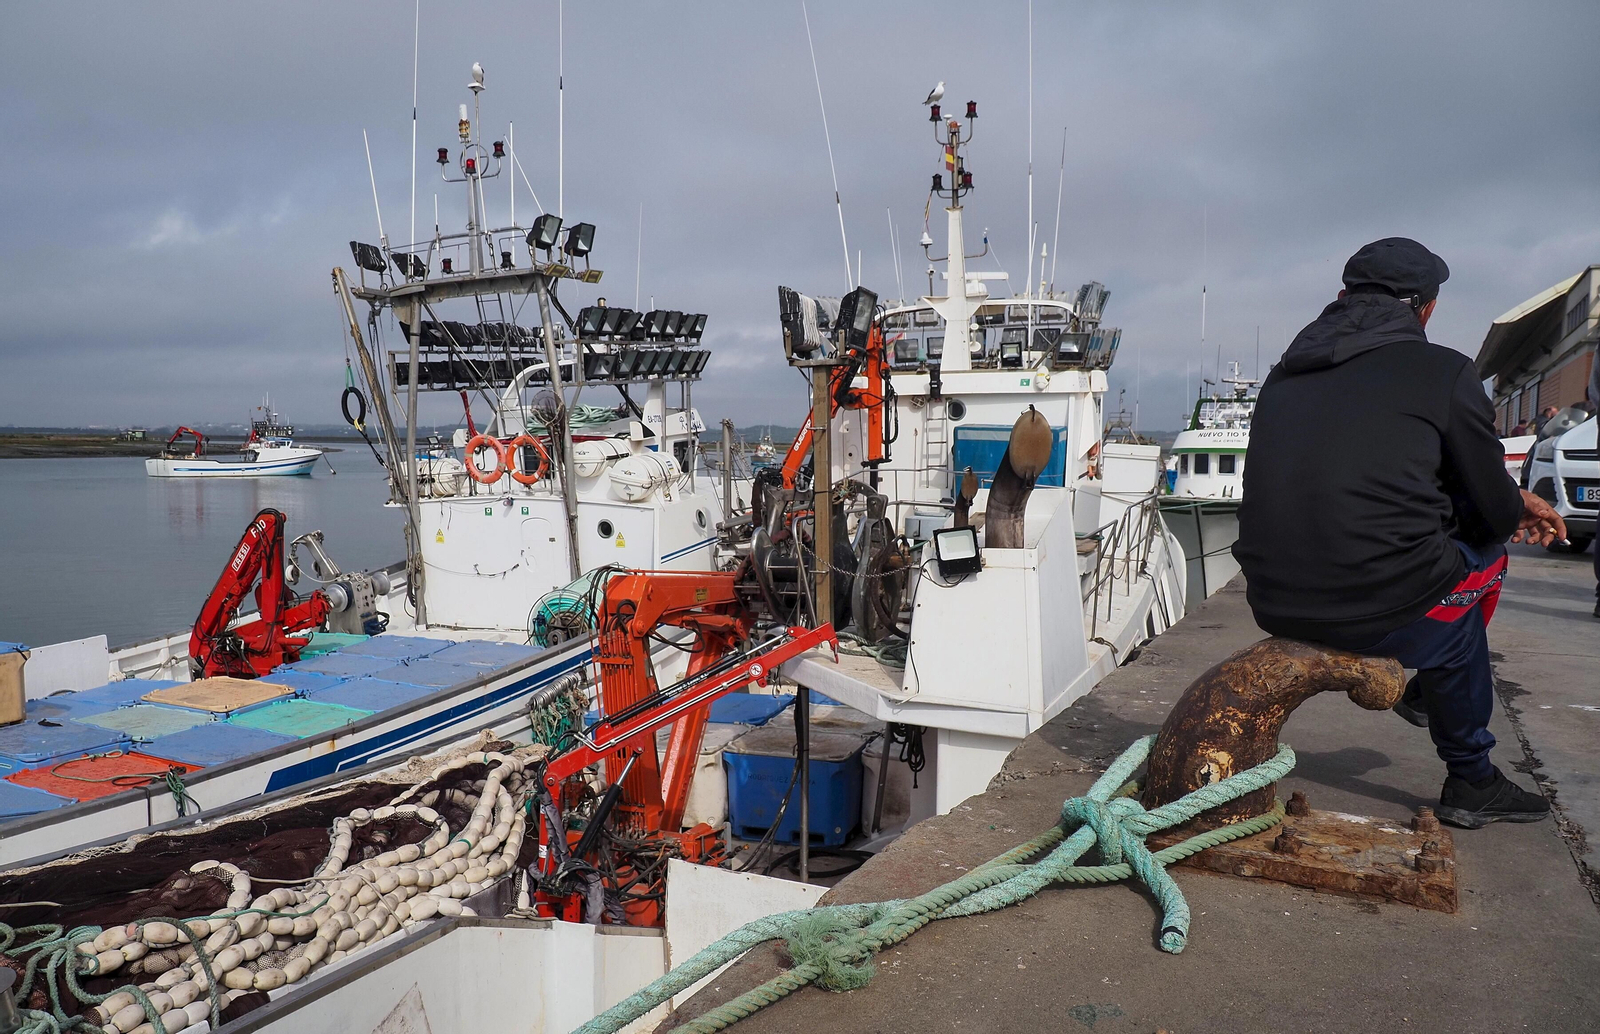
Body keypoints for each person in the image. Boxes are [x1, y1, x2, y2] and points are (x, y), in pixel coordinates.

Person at [1234, 238, 1566, 829]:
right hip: (1373, 609)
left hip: (1273, 601)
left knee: (1447, 561)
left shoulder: (1283, 377)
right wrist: (1511, 504)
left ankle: (1430, 690)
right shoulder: (1444, 371)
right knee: (1482, 566)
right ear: (1427, 309)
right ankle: (1471, 776)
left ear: (1341, 298)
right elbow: (1490, 517)